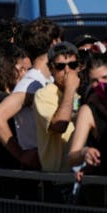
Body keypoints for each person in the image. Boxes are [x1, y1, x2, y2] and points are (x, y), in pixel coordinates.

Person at [0, 18, 62, 169]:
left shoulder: (46, 78)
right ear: (54, 43)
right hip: (39, 168)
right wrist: (21, 154)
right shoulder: (30, 83)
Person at [33, 42, 80, 172]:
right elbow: (59, 126)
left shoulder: (83, 91)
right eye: (60, 66)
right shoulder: (43, 95)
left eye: (72, 65)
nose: (67, 71)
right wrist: (70, 89)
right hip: (57, 179)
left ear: (79, 67)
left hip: (82, 175)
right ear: (51, 68)